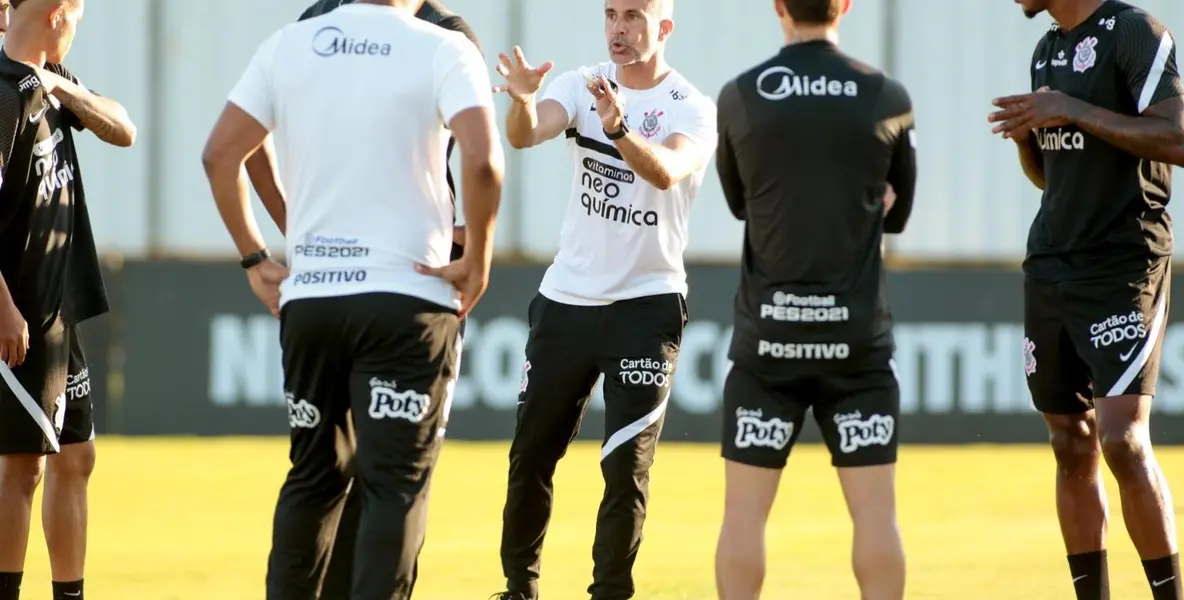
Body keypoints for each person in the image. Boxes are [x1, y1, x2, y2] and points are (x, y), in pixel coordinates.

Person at [200, 0, 503, 597]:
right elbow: (485, 163)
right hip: (405, 298)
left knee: (313, 478)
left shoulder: (291, 41)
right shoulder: (444, 44)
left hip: (312, 298)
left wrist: (257, 257)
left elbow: (220, 154)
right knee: (394, 485)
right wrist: (479, 259)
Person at [488, 1, 716, 598]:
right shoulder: (580, 85)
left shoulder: (691, 106)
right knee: (531, 455)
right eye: (611, 14)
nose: (619, 28)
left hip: (646, 307)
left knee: (625, 468)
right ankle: (519, 588)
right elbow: (524, 136)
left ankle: (610, 592)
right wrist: (520, 100)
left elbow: (666, 169)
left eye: (634, 15)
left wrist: (618, 130)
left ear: (663, 27)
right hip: (566, 300)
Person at [710, 1, 916, 598]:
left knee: (743, 518)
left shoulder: (740, 95)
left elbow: (738, 202)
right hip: (857, 345)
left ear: (779, 6)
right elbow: (898, 214)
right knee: (877, 517)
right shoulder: (888, 96)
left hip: (767, 340)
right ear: (845, 5)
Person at [989, 1, 1184, 599]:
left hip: (1123, 262)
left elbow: (1180, 140)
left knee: (1123, 441)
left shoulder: (1136, 33)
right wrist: (1029, 138)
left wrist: (1070, 109)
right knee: (1068, 439)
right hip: (1052, 261)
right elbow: (1051, 176)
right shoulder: (1047, 49)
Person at [0, 1, 136, 599]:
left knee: (75, 461)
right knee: (20, 468)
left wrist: (60, 85)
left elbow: (123, 128)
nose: (77, 30)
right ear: (57, 13)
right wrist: (3, 308)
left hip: (61, 312)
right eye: (77, 17)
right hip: (18, 313)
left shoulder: (48, 82)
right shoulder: (4, 96)